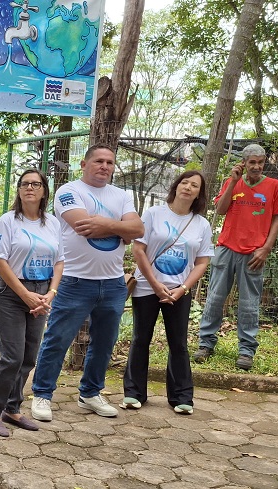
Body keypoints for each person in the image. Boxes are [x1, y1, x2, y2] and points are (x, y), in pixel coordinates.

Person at [30, 144, 144, 422]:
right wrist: (120, 228)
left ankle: (90, 393)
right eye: (99, 161)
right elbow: (83, 226)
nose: (104, 166)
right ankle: (42, 394)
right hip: (74, 280)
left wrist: (107, 224)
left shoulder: (121, 195)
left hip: (114, 282)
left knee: (105, 343)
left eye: (110, 162)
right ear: (84, 164)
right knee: (57, 339)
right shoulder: (69, 191)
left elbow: (139, 229)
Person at [122, 171, 214, 414]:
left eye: (195, 185)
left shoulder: (201, 224)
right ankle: (134, 393)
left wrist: (183, 288)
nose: (188, 187)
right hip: (146, 286)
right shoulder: (154, 213)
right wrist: (154, 284)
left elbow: (203, 261)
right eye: (185, 182)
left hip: (179, 291)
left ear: (198, 194)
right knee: (141, 339)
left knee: (179, 343)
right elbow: (138, 249)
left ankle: (182, 397)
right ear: (176, 186)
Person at [0, 170, 63, 437]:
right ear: (19, 190)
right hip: (12, 292)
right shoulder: (8, 221)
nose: (30, 188)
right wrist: (24, 294)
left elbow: (59, 261)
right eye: (25, 184)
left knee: (29, 355)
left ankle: (13, 408)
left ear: (44, 191)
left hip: (41, 293)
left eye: (36, 184)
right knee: (12, 357)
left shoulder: (52, 223)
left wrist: (50, 293)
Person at [194, 144, 278, 370]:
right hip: (226, 248)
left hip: (255, 252)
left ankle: (246, 351)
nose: (256, 166)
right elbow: (221, 210)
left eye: (260, 162)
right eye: (251, 162)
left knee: (249, 304)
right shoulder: (231, 182)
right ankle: (206, 344)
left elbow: (277, 218)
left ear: (264, 163)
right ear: (244, 163)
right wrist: (233, 182)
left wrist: (266, 248)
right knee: (215, 298)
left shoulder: (274, 186)